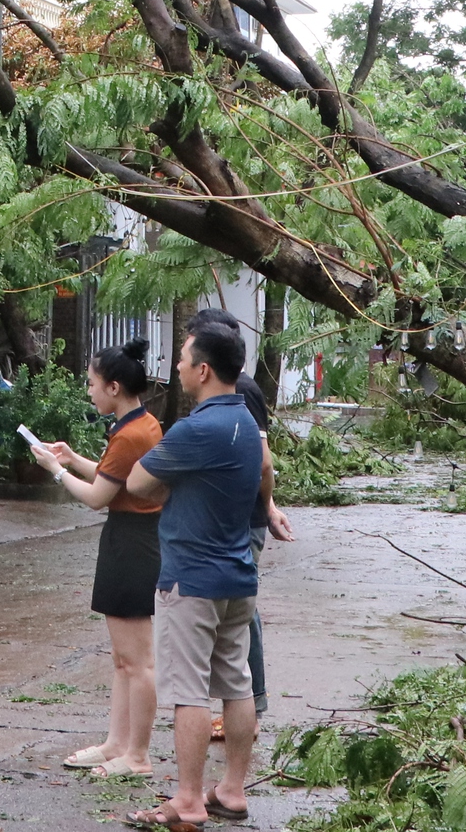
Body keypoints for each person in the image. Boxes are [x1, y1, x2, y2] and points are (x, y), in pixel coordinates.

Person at [122, 323, 275, 832]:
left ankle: (188, 800)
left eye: (185, 360)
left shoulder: (195, 430)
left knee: (189, 692)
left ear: (204, 370)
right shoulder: (249, 427)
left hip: (190, 581)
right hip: (239, 577)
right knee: (237, 684)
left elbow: (139, 483)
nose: (180, 368)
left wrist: (175, 490)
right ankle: (231, 790)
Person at [30, 337, 161, 778]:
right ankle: (117, 743)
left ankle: (137, 755)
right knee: (124, 658)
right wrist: (73, 458)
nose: (89, 390)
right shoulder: (139, 425)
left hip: (133, 544)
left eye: (92, 383)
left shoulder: (130, 434)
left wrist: (56, 470)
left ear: (114, 387)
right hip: (132, 540)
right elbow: (114, 477)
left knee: (137, 660)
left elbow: (97, 497)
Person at [188, 307, 295, 728]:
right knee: (236, 612)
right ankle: (242, 706)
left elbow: (263, 462)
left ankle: (250, 704)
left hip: (240, 519)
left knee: (237, 614)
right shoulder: (229, 391)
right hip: (236, 515)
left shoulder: (243, 390)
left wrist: (265, 509)